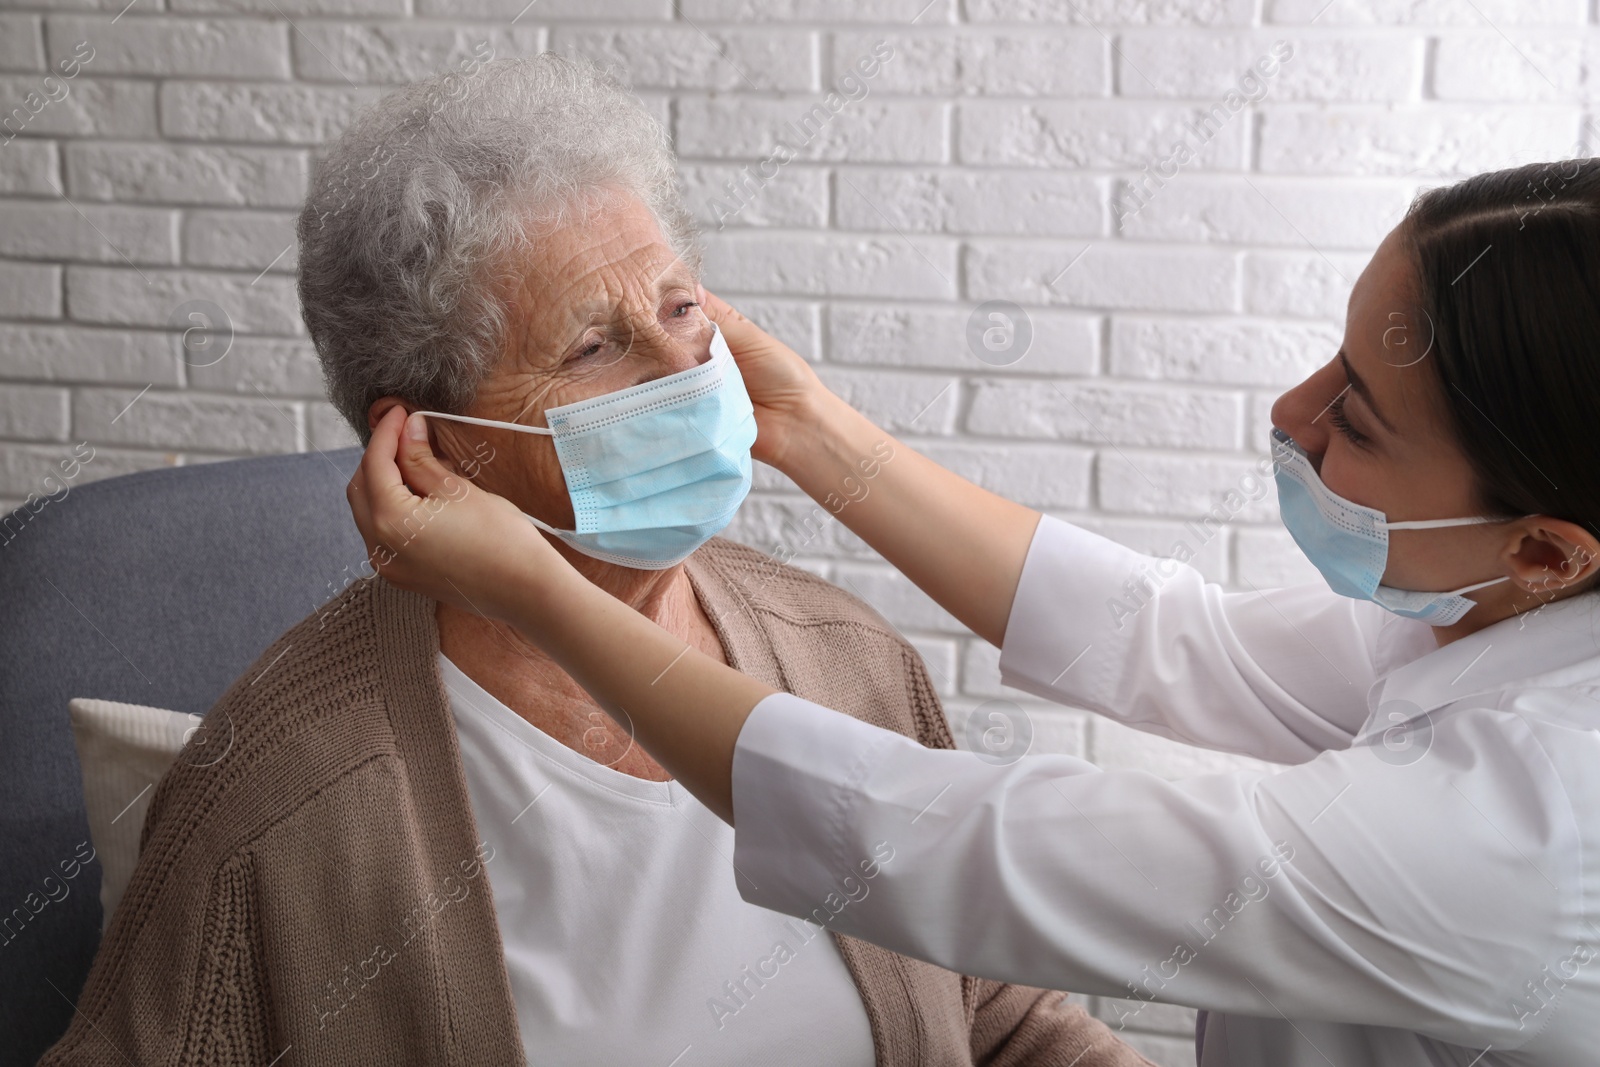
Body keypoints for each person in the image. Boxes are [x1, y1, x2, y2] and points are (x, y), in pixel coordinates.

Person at [346, 157, 1600, 1067]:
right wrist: (815, 432)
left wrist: (531, 586)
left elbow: (950, 847)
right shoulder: (1476, 615)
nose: (1290, 409)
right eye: (592, 346)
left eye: (1361, 418)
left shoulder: (1530, 836)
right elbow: (1168, 635)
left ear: (1545, 550)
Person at [38, 54, 1153, 1067]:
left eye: (681, 309)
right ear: (434, 443)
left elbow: (1001, 1018)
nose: (684, 367)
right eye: (594, 344)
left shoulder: (849, 661)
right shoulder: (281, 786)